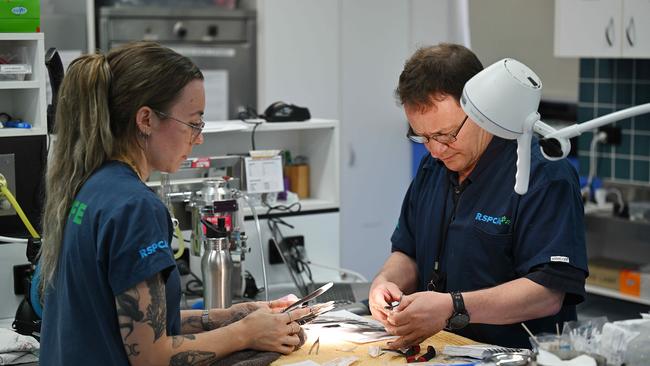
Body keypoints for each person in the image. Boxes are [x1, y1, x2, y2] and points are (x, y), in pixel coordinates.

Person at [39, 42, 311, 366]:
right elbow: (151, 357)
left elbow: (135, 327)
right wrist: (246, 334)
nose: (199, 138)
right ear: (146, 120)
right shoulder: (134, 207)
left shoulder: (87, 186)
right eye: (194, 122)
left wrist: (231, 316)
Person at [369, 43, 588, 349]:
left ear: (484, 108)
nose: (435, 149)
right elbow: (407, 252)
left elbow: (548, 293)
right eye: (423, 136)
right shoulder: (433, 167)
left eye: (446, 135)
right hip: (443, 349)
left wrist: (452, 306)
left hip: (518, 354)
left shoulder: (542, 175)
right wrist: (385, 283)